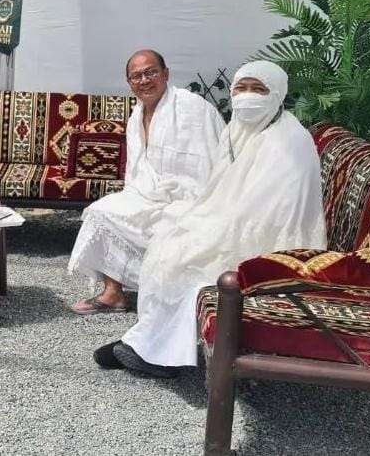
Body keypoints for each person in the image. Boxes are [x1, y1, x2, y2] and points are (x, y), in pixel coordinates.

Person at [94, 60, 327, 377]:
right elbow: (221, 186)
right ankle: (148, 343)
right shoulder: (241, 129)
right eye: (241, 89)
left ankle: (158, 355)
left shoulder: (287, 142)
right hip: (240, 222)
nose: (247, 97)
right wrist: (199, 217)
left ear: (277, 94)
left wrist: (209, 230)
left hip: (273, 244)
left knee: (186, 262)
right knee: (171, 239)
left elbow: (271, 215)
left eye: (258, 89)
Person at [67, 50, 225, 314]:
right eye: (136, 76)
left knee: (177, 224)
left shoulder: (192, 107)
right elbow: (137, 169)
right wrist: (142, 194)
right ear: (130, 83)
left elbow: (210, 162)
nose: (144, 80)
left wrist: (193, 197)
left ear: (166, 74)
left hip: (193, 195)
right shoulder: (135, 115)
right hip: (149, 194)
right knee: (101, 212)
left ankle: (172, 296)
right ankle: (113, 293)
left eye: (151, 72)